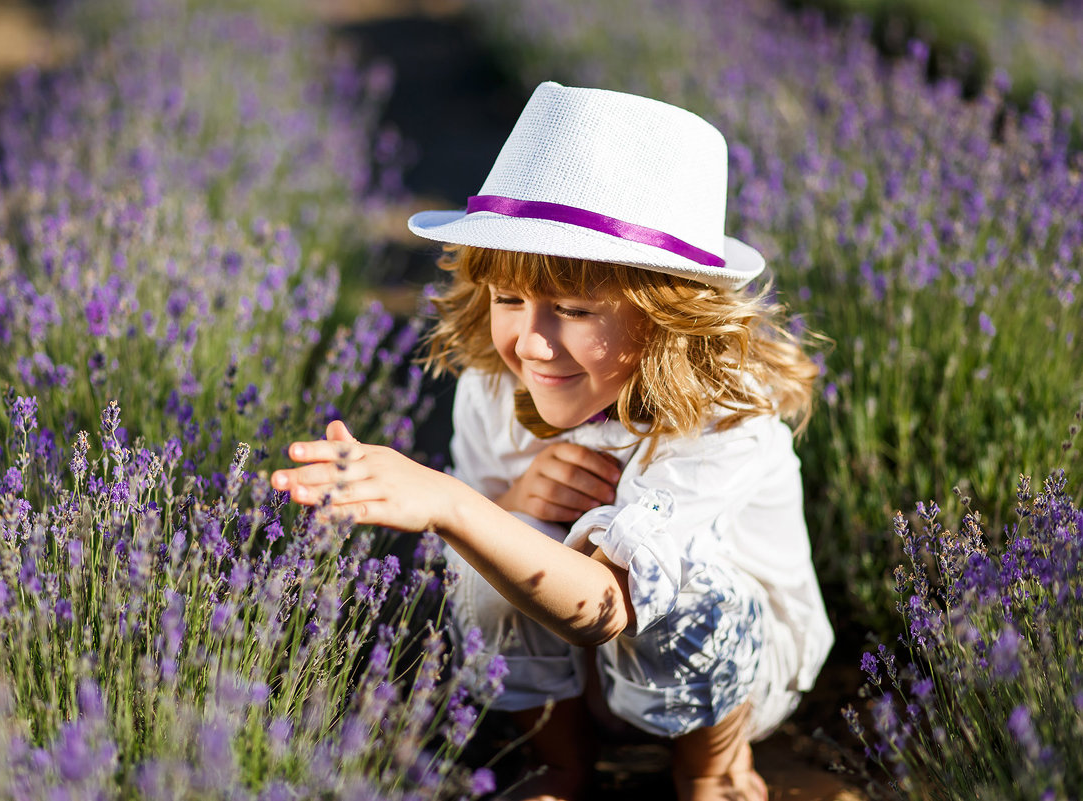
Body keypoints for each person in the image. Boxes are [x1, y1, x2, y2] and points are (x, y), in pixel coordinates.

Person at [270, 81, 833, 801]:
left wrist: (455, 504)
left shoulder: (723, 417)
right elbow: (495, 556)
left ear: (669, 317)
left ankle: (710, 772)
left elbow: (612, 606)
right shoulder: (497, 385)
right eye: (509, 299)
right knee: (493, 545)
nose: (531, 341)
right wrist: (505, 501)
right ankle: (558, 764)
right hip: (584, 678)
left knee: (693, 590)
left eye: (571, 309)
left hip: (731, 682)